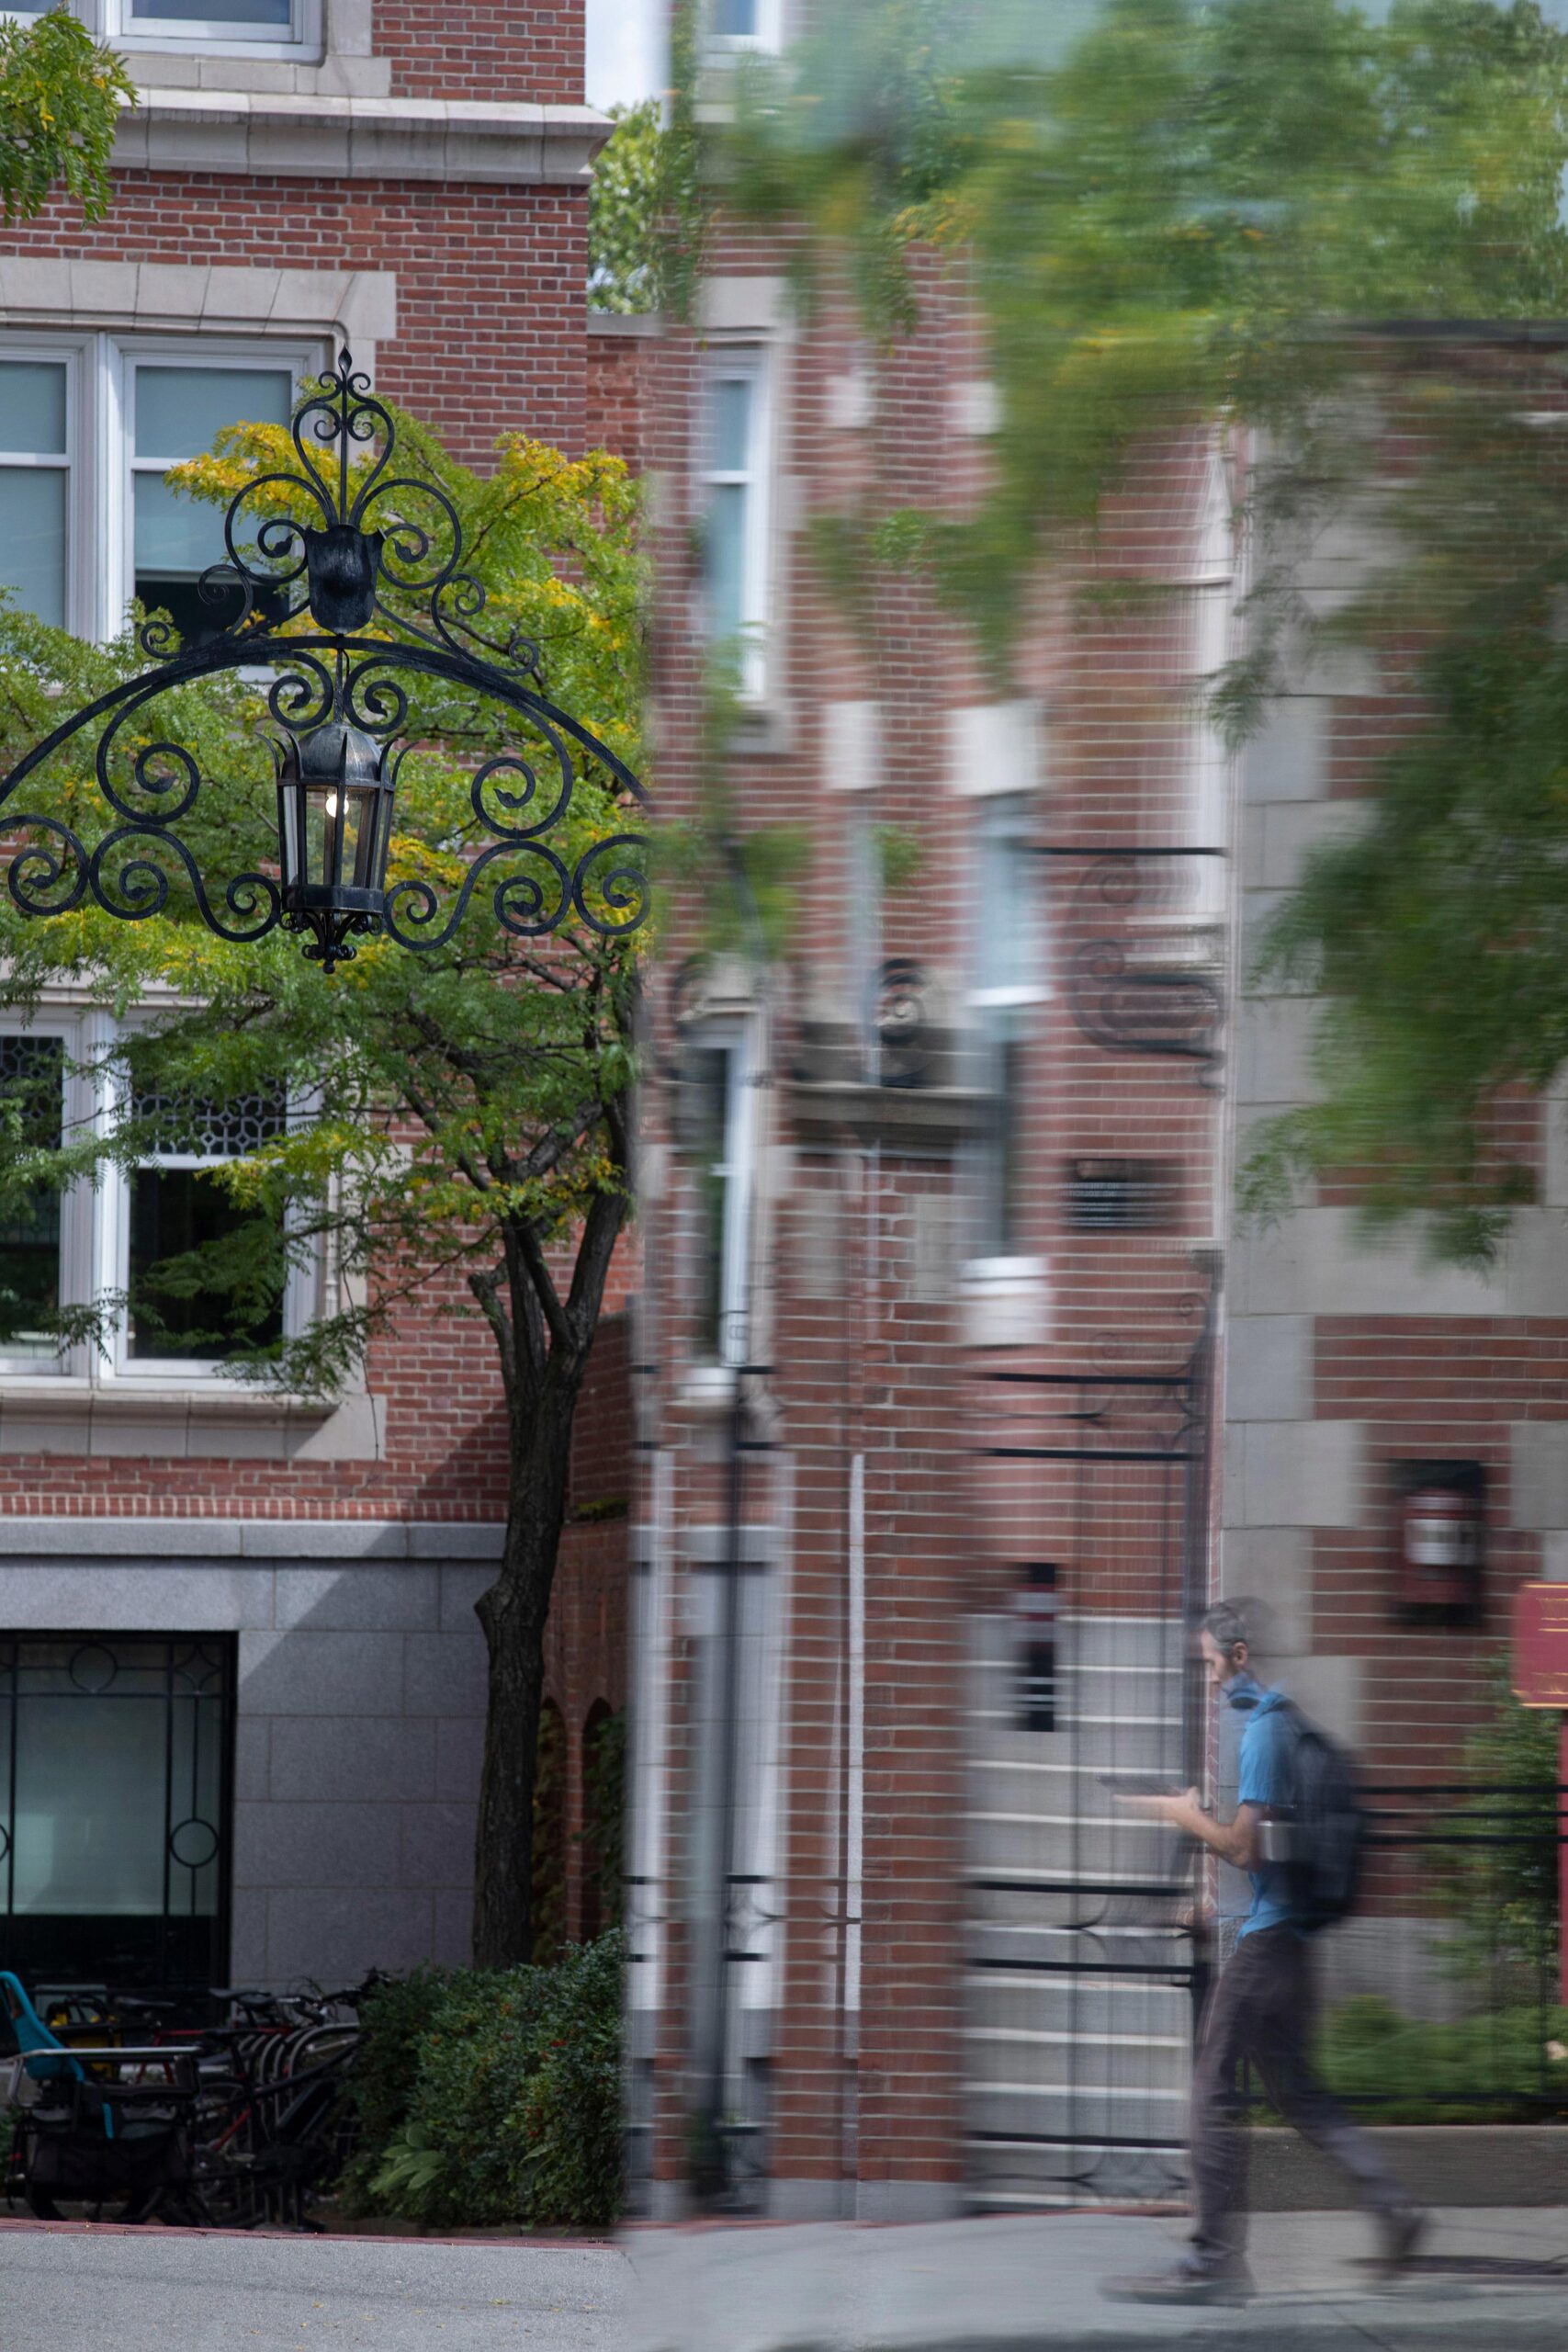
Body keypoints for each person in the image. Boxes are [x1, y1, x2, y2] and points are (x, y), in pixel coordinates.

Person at [1102, 1600, 1426, 2306]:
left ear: (1239, 1657)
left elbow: (1243, 1845)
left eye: (1211, 1664)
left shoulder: (1262, 1732)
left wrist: (1182, 1814)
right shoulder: (1282, 1723)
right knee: (1300, 2096)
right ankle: (1393, 2210)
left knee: (1212, 2094)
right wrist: (1215, 1910)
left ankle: (1214, 2262)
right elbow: (1270, 1858)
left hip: (1267, 1950)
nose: (1209, 1678)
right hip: (1285, 1943)